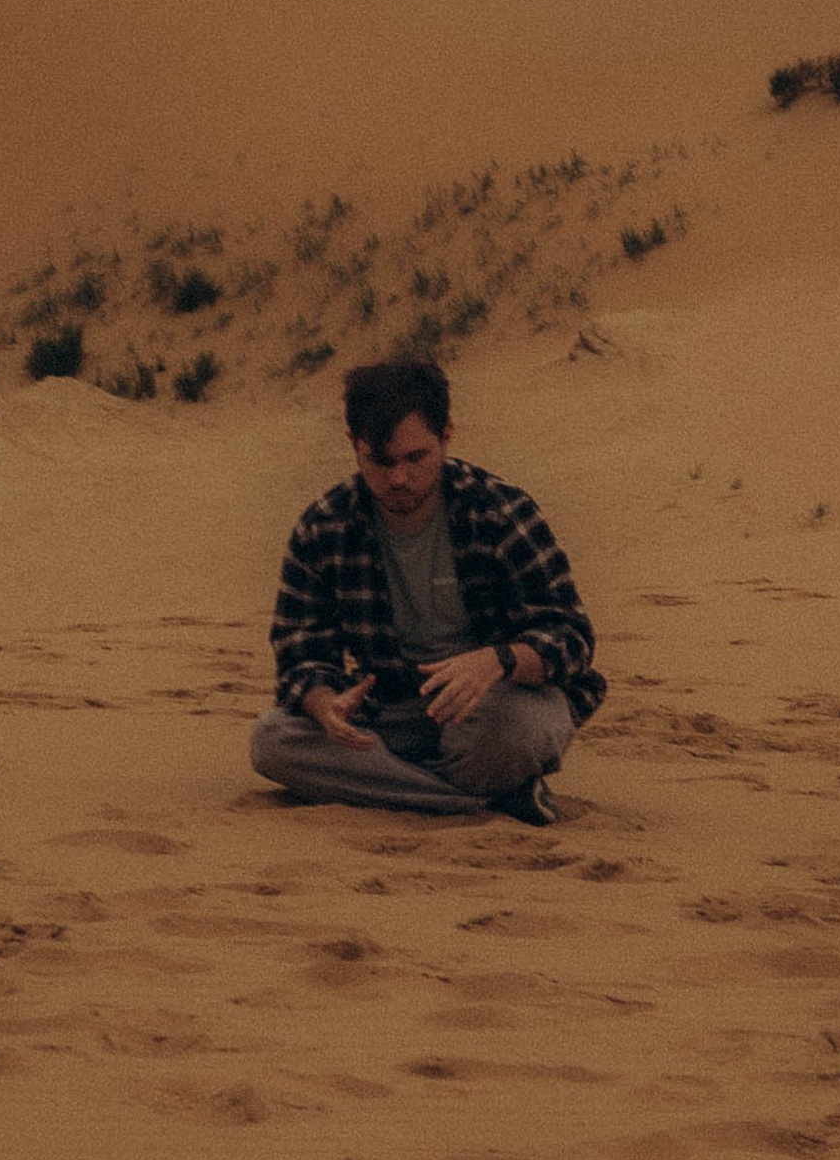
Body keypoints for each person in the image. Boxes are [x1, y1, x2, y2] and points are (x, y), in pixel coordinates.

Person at [249, 354, 604, 826]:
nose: (399, 478)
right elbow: (300, 651)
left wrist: (496, 661)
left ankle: (401, 786)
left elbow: (571, 637)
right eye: (381, 461)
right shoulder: (325, 526)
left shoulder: (500, 511)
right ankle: (481, 801)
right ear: (354, 446)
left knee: (509, 734)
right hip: (394, 709)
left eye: (417, 458)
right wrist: (325, 705)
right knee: (274, 740)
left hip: (497, 705)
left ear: (447, 436)